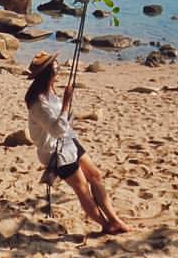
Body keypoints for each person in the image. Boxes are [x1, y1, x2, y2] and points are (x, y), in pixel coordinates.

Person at [24, 51, 130, 234]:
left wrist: (66, 105)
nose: (58, 67)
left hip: (69, 141)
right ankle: (106, 226)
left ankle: (115, 220)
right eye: (54, 65)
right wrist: (66, 103)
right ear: (48, 72)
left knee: (95, 175)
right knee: (82, 190)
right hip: (55, 152)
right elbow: (56, 130)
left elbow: (63, 124)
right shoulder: (38, 102)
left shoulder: (50, 90)